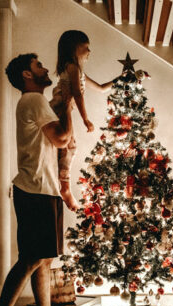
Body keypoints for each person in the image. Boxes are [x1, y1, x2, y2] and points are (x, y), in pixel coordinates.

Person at [0, 53, 75, 306]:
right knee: (31, 258)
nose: (46, 68)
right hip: (36, 189)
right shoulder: (33, 101)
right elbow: (62, 138)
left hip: (41, 188)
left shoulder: (34, 104)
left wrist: (62, 105)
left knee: (43, 257)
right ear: (27, 74)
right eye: (38, 66)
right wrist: (70, 107)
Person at [50, 30, 114, 211]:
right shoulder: (72, 67)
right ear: (73, 49)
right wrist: (86, 119)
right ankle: (65, 188)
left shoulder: (78, 72)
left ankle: (63, 186)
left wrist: (120, 79)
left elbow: (101, 88)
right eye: (85, 47)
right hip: (59, 110)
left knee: (67, 148)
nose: (89, 51)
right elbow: (77, 94)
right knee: (68, 147)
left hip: (63, 111)